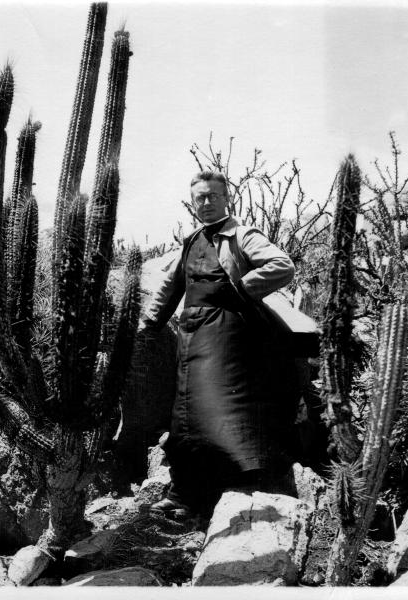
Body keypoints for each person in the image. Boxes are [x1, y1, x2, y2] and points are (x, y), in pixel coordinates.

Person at [140, 171, 299, 518]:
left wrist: (242, 289)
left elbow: (282, 265)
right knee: (185, 417)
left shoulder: (242, 236)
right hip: (192, 336)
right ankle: (183, 495)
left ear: (227, 199)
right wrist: (150, 322)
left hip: (229, 337)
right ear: (193, 203)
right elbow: (169, 287)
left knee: (227, 412)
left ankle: (240, 493)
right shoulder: (192, 240)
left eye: (213, 196)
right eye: (200, 197)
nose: (207, 203)